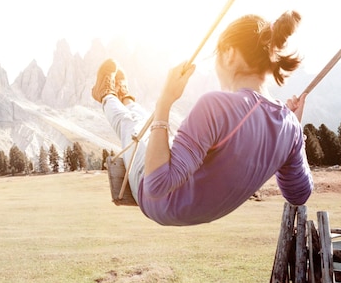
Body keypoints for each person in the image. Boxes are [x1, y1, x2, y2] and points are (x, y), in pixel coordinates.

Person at [91, 11, 313, 226]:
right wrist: (292, 133)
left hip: (159, 203)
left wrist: (165, 101)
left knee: (129, 127)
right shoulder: (290, 126)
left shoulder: (218, 105)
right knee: (141, 126)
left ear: (230, 54)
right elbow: (299, 195)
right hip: (201, 212)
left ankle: (106, 94)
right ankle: (127, 97)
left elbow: (157, 186)